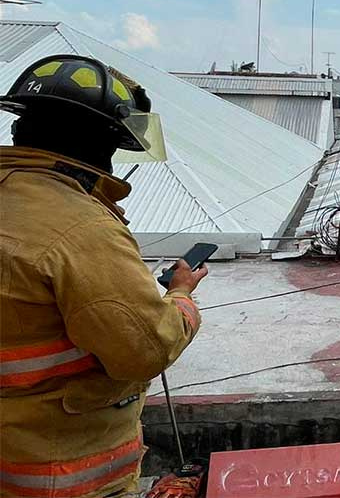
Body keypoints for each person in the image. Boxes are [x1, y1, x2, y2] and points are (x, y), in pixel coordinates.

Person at [0, 55, 206, 498]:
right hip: (50, 473)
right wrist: (182, 296)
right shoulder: (82, 229)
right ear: (96, 144)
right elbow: (144, 349)